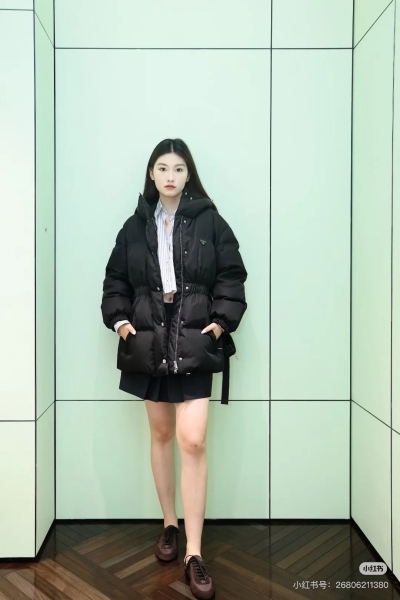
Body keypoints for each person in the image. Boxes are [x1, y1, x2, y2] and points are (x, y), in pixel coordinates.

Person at [101, 138, 247, 599]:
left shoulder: (210, 221)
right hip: (148, 336)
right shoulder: (134, 226)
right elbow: (115, 279)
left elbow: (231, 275)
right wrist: (122, 323)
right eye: (162, 167)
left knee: (193, 439)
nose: (170, 176)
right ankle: (169, 524)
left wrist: (220, 324)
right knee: (162, 434)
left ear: (188, 174)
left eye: (178, 168)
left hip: (193, 336)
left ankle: (194, 552)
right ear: (151, 173)